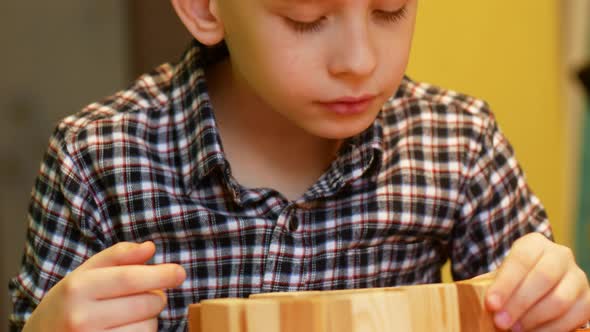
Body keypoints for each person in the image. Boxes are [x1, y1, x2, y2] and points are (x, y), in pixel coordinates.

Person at [9, 0, 590, 331]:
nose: (360, 61)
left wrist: (556, 304)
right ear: (205, 7)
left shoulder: (458, 144)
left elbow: (541, 307)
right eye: (307, 17)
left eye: (391, 9)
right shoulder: (97, 158)